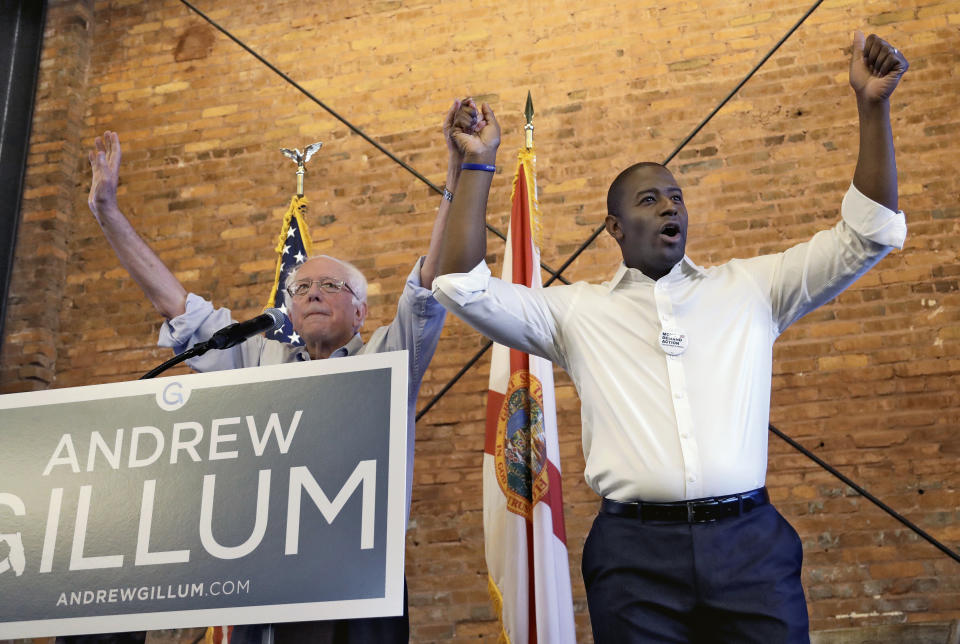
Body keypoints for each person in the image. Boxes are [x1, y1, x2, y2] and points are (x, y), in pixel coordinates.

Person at [432, 32, 908, 643]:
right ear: (614, 227)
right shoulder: (575, 312)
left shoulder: (751, 289)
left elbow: (865, 237)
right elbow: (461, 285)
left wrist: (873, 106)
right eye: (649, 199)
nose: (669, 207)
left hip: (750, 550)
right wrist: (477, 163)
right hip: (635, 559)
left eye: (676, 197)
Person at [66, 100, 480, 644]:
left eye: (330, 286)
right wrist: (108, 212)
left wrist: (457, 174)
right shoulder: (257, 361)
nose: (310, 293)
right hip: (265, 572)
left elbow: (431, 281)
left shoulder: (388, 360)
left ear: (360, 311)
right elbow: (177, 307)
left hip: (358, 573)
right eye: (301, 288)